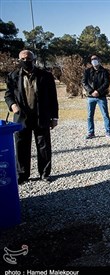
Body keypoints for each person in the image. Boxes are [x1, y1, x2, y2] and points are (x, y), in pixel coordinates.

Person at [4, 49, 59, 184]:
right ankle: (22, 175)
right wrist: (12, 105)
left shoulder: (45, 76)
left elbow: (53, 97)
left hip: (41, 116)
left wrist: (54, 117)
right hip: (21, 117)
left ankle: (45, 173)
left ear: (34, 60)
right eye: (22, 59)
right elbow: (8, 94)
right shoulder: (13, 75)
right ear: (19, 60)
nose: (26, 61)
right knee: (21, 145)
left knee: (44, 146)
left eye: (28, 59)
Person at [82, 54, 110, 139]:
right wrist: (91, 91)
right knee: (89, 116)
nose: (94, 60)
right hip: (90, 97)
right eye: (92, 59)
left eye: (95, 59)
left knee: (105, 115)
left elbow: (106, 83)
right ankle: (91, 132)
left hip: (101, 97)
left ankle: (108, 132)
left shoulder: (105, 71)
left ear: (99, 60)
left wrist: (98, 91)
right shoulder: (87, 71)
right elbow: (84, 82)